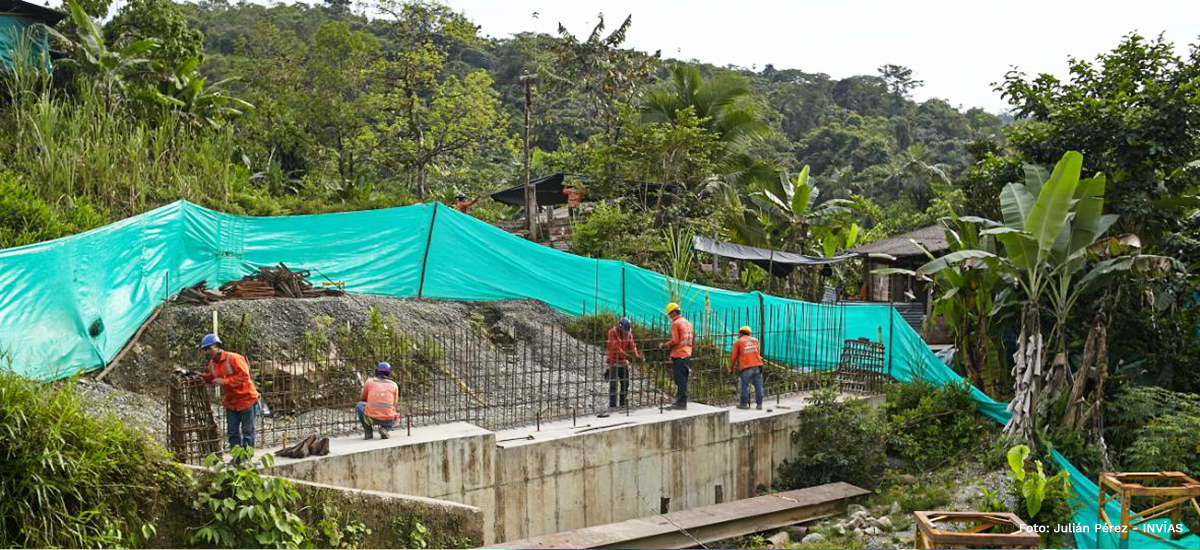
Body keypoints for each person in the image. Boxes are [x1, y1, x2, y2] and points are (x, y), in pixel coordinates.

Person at [199, 334, 261, 453]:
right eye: (205, 350)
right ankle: (237, 458)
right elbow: (212, 377)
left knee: (247, 431)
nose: (207, 352)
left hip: (246, 399)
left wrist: (225, 381)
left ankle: (246, 458)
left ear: (218, 347)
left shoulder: (233, 358)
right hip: (231, 402)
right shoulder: (212, 365)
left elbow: (244, 376)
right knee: (232, 432)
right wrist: (201, 377)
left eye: (209, 348)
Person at [600, 317, 641, 417]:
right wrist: (627, 355)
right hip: (613, 360)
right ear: (619, 327)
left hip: (623, 361)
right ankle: (613, 406)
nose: (625, 333)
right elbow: (615, 347)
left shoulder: (628, 333)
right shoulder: (612, 332)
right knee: (613, 384)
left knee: (625, 383)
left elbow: (632, 345)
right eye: (623, 331)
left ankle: (622, 404)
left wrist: (636, 355)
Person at [659, 302, 693, 410]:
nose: (669, 317)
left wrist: (665, 345)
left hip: (679, 355)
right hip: (687, 354)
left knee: (680, 379)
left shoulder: (676, 323)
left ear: (673, 313)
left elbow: (675, 340)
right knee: (683, 378)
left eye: (669, 314)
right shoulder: (688, 323)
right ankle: (681, 401)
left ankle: (681, 403)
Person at [357, 361, 399, 440]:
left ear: (376, 371)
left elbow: (363, 398)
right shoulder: (394, 385)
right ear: (389, 373)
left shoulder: (369, 382)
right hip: (388, 419)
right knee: (395, 411)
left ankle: (368, 431)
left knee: (360, 405)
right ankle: (385, 428)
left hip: (370, 419)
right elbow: (394, 403)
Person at [729, 326, 764, 410]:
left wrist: (731, 368)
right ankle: (759, 405)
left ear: (740, 333)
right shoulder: (755, 340)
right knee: (758, 386)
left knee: (744, 386)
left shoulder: (738, 342)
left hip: (746, 367)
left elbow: (733, 357)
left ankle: (744, 404)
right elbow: (758, 353)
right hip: (758, 366)